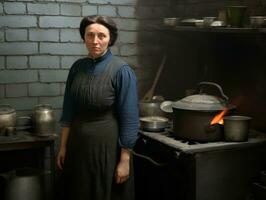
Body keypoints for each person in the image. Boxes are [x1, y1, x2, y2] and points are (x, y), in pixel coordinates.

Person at [56, 15, 139, 200]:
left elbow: (130, 118)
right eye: (90, 35)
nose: (95, 41)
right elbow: (68, 110)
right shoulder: (77, 68)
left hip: (106, 148)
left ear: (110, 39)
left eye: (101, 36)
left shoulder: (122, 71)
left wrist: (125, 160)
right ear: (83, 37)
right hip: (77, 146)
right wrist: (63, 146)